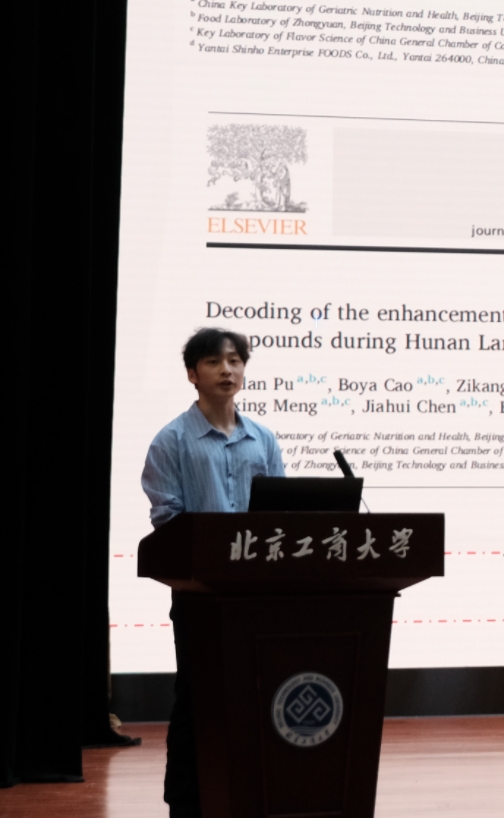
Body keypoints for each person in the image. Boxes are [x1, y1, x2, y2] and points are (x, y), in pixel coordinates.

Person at [141, 328, 284, 818]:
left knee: (257, 695)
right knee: (196, 697)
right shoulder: (172, 440)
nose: (227, 370)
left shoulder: (263, 439)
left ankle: (250, 793)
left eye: (235, 361)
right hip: (200, 596)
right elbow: (167, 519)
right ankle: (186, 803)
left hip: (257, 597)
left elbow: (279, 516)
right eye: (214, 362)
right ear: (192, 374)